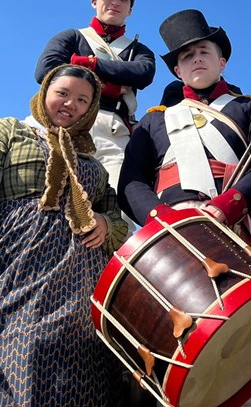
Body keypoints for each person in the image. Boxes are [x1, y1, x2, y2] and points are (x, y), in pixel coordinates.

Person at [118, 9, 251, 406]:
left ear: (221, 59)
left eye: (203, 50)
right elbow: (131, 183)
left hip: (236, 234)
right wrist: (163, 221)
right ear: (176, 70)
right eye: (185, 55)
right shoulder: (153, 123)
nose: (196, 59)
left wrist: (225, 208)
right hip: (172, 242)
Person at [0, 65, 129, 406]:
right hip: (20, 267)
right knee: (24, 351)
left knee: (85, 370)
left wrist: (103, 222)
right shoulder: (10, 131)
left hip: (82, 284)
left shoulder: (95, 165)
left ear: (90, 109)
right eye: (63, 93)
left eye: (82, 100)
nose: (70, 104)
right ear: (45, 93)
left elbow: (116, 220)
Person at [35, 0, 156, 204]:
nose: (115, 2)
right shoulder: (72, 36)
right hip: (64, 122)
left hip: (113, 129)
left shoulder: (138, 50)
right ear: (94, 0)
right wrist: (114, 84)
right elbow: (45, 71)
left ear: (130, 9)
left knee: (115, 202)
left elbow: (143, 73)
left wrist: (86, 63)